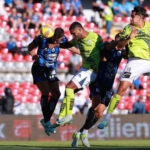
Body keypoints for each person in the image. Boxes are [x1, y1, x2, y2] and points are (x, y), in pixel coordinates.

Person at [71, 33, 128, 147]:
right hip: (98, 81)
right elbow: (105, 53)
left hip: (108, 85)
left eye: (123, 39)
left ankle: (81, 132)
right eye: (119, 38)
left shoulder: (122, 51)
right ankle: (84, 134)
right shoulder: (107, 46)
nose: (121, 40)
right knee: (95, 105)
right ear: (115, 39)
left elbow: (129, 55)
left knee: (99, 112)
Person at [98, 6, 150, 129]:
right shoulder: (128, 28)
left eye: (133, 16)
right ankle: (107, 119)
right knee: (121, 89)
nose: (130, 18)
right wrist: (129, 38)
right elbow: (119, 46)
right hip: (135, 61)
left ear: (141, 17)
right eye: (130, 16)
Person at [49, 21, 103, 127]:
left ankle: (68, 116)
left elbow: (104, 52)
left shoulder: (95, 37)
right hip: (84, 69)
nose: (73, 36)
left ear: (80, 29)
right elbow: (68, 44)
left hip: (91, 71)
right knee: (68, 90)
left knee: (69, 88)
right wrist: (56, 44)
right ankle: (62, 117)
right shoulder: (77, 39)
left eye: (74, 33)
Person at [28, 26, 68, 136]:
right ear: (52, 35)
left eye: (60, 40)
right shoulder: (41, 39)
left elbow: (70, 46)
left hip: (50, 69)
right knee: (45, 91)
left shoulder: (63, 40)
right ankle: (46, 122)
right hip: (39, 68)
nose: (59, 41)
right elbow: (30, 47)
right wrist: (34, 56)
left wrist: (80, 52)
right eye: (57, 39)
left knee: (56, 93)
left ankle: (45, 120)